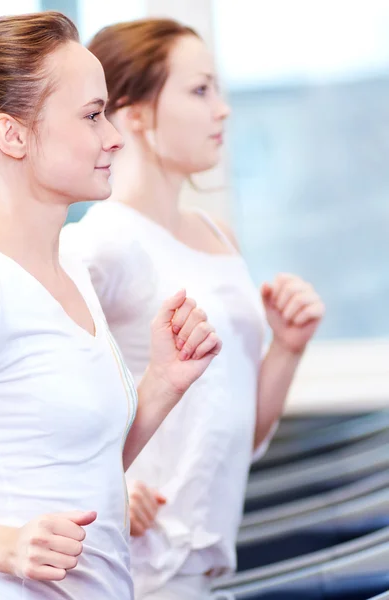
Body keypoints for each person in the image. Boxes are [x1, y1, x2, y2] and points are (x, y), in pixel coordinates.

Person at [0, 13, 222, 600]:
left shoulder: (67, 269)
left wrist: (162, 384)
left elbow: (82, 473)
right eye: (91, 114)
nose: (114, 137)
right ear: (13, 136)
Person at [62, 18, 325, 600]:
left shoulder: (216, 234)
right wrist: (99, 480)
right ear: (132, 115)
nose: (223, 110)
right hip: (136, 570)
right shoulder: (101, 244)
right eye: (199, 90)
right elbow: (36, 397)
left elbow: (243, 433)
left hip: (201, 568)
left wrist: (287, 345)